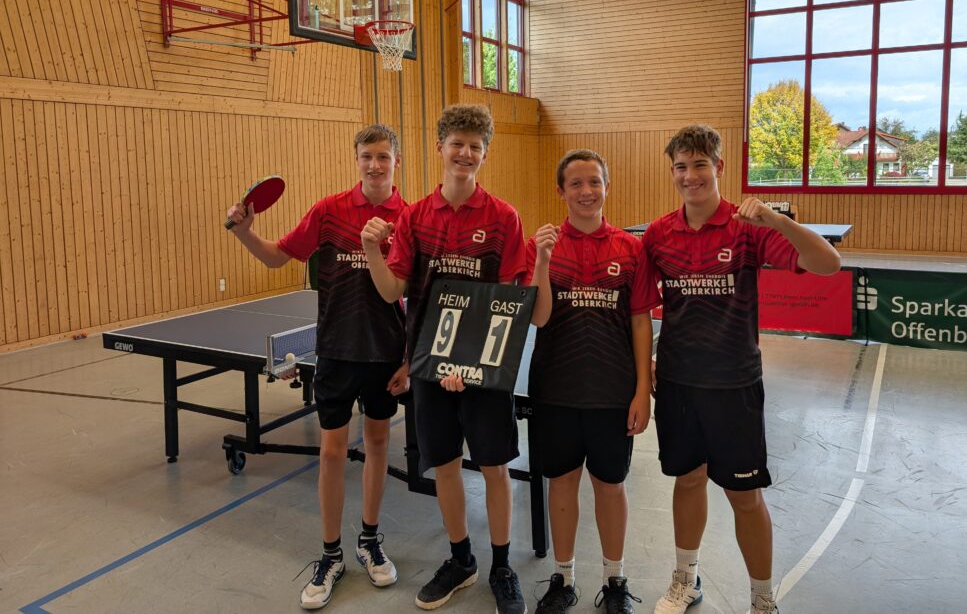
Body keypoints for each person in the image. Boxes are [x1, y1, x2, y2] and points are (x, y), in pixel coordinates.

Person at [643, 124, 841, 614]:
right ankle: (686, 580)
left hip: (733, 384)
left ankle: (762, 600)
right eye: (681, 167)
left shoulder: (747, 229)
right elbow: (642, 307)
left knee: (745, 495)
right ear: (672, 172)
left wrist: (777, 220)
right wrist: (645, 366)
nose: (690, 176)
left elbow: (828, 263)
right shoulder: (658, 234)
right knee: (688, 480)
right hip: (677, 381)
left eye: (699, 165)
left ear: (719, 166)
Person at [226, 124, 409, 610]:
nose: (375, 165)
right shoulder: (329, 210)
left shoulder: (408, 218)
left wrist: (411, 359)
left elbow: (420, 295)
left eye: (383, 156)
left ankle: (369, 540)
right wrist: (245, 231)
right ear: (357, 160)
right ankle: (331, 555)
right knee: (330, 454)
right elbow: (277, 257)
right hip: (335, 351)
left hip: (386, 353)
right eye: (367, 156)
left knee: (377, 445)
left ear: (397, 161)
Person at [360, 104, 529, 614]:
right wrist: (371, 250)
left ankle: (502, 566)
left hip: (484, 369)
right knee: (448, 467)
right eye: (457, 143)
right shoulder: (415, 217)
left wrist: (468, 362)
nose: (465, 153)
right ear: (440, 148)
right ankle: (461, 559)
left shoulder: (503, 218)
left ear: (484, 154)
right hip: (430, 367)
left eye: (475, 146)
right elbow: (393, 290)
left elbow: (506, 300)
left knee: (494, 467)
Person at [526, 149, 658, 614]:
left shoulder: (630, 248)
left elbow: (640, 322)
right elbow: (539, 318)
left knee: (610, 485)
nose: (586, 191)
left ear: (606, 187)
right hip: (556, 389)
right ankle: (563, 579)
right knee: (561, 483)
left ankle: (614, 581)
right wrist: (542, 261)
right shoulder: (542, 245)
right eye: (576, 183)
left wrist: (642, 391)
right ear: (560, 191)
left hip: (612, 390)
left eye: (594, 182)